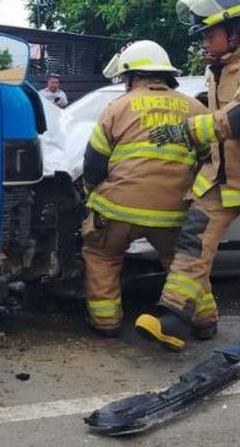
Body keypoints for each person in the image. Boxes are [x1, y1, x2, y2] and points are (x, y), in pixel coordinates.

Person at [136, 0, 240, 351]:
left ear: (234, 32)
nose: (204, 43)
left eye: (209, 35)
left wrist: (188, 130)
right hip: (221, 178)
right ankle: (173, 319)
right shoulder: (219, 69)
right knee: (193, 241)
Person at [81, 40, 207, 337]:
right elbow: (210, 160)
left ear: (134, 76)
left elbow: (94, 163)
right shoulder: (195, 108)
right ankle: (204, 320)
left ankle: (106, 322)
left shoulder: (117, 108)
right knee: (185, 264)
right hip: (175, 211)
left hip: (119, 208)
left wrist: (92, 194)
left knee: (102, 255)